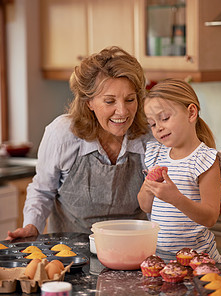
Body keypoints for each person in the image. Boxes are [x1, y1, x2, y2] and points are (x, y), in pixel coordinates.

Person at [6, 46, 152, 240]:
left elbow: (156, 203)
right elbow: (42, 190)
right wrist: (32, 226)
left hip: (132, 248)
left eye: (130, 99)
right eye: (110, 101)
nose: (123, 111)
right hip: (70, 250)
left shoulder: (149, 135)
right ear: (89, 102)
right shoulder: (63, 134)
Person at [137, 78, 221, 263]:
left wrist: (176, 198)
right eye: (153, 124)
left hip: (199, 262)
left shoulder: (206, 160)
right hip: (161, 261)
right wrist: (149, 187)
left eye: (164, 118)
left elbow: (210, 217)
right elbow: (145, 206)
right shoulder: (156, 154)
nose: (159, 128)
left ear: (191, 113)